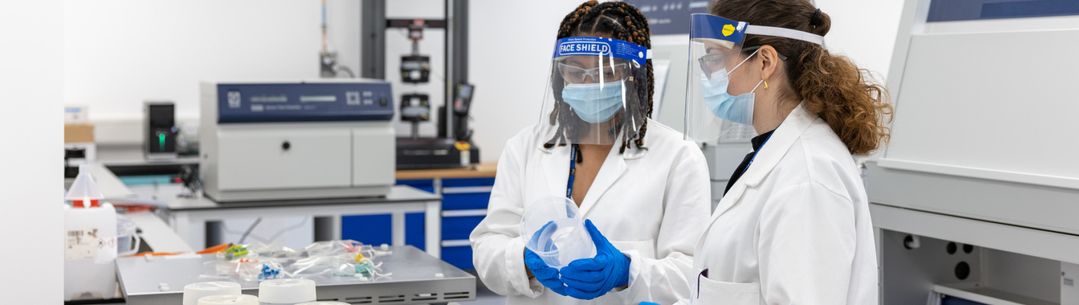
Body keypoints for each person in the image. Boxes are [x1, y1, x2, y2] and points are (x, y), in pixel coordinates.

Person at [469, 1, 712, 304]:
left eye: (605, 73)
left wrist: (627, 272)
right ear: (560, 76)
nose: (589, 84)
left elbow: (694, 273)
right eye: (576, 71)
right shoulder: (524, 149)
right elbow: (487, 247)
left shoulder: (678, 157)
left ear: (633, 75)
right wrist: (523, 261)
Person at [675, 0, 892, 304]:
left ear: (765, 61)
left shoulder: (807, 177)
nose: (708, 71)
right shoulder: (773, 153)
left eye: (715, 56)